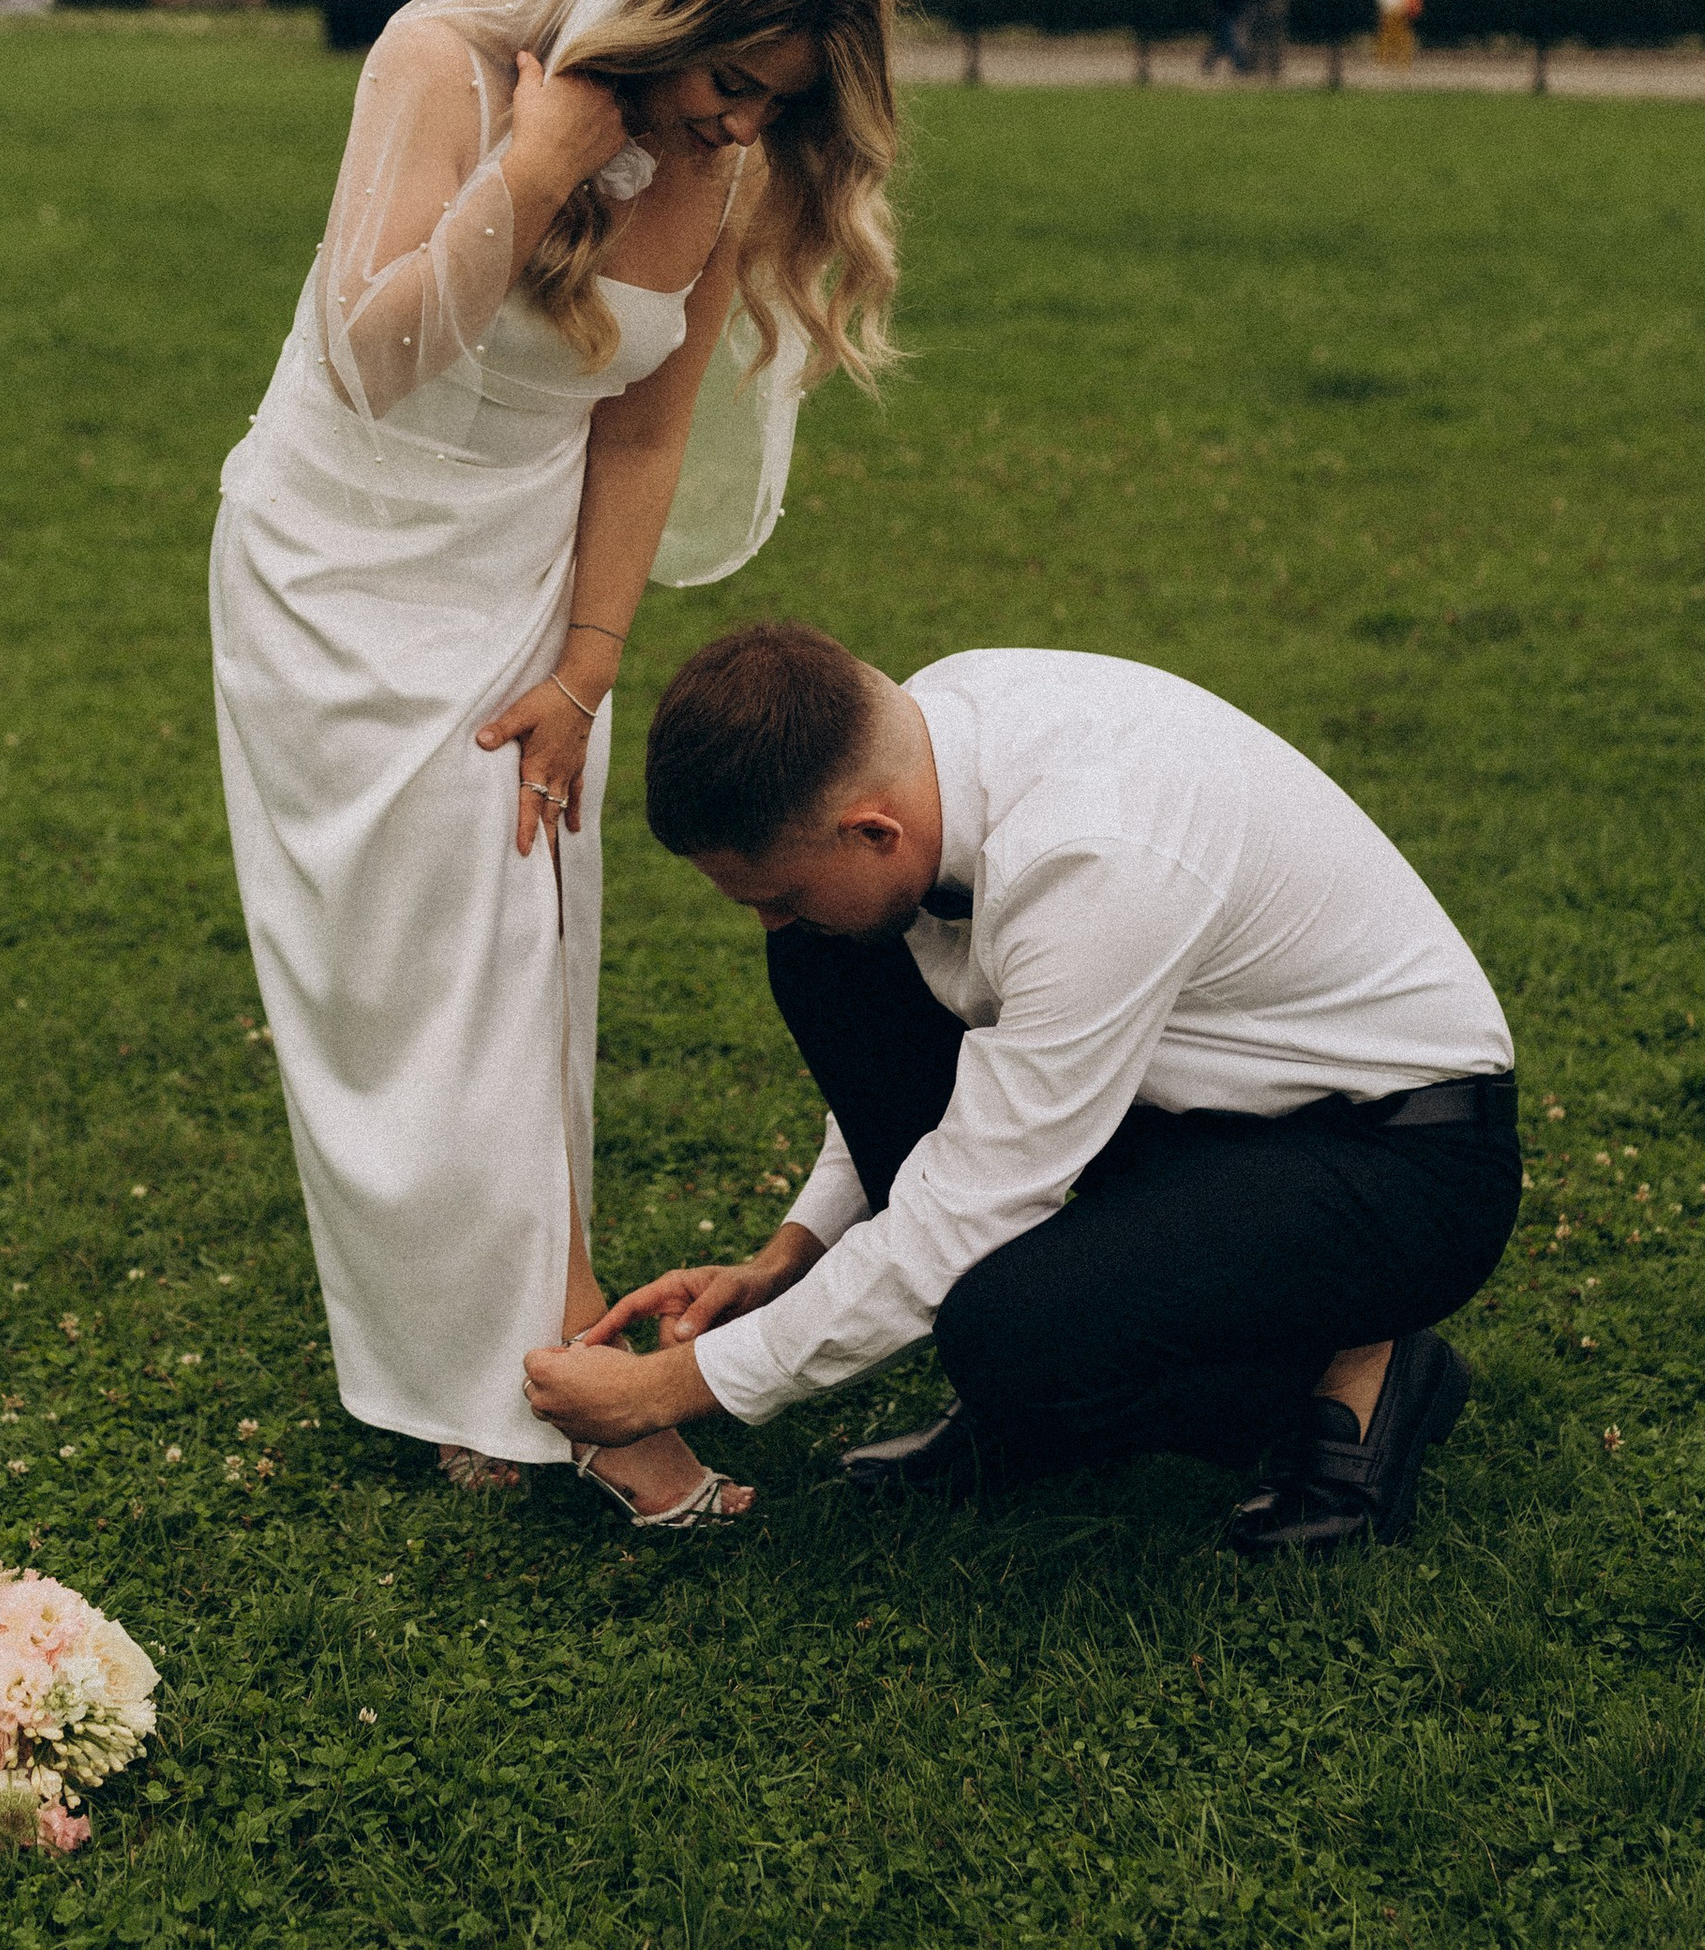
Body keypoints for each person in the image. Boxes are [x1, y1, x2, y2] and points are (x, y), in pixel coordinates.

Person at [212, 0, 898, 1529]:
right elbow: (375, 354)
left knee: (520, 964)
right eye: (732, 80)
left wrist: (590, 667)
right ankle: (537, 1391)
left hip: (517, 595)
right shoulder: (436, 66)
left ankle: (523, 1385)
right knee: (396, 989)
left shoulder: (722, 179)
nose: (742, 126)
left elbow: (645, 423)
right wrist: (532, 166)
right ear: (662, 7)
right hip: (335, 571)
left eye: (777, 101)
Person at [523, 625, 1519, 1555]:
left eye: (778, 891)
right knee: (829, 959)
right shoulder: (920, 746)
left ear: (873, 830)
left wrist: (666, 1389)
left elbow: (967, 1206)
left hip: (1394, 1160)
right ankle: (1036, 1409)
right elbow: (949, 1088)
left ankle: (1356, 1369)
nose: (766, 919)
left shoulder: (1091, 856)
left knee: (1013, 1335)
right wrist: (790, 1256)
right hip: (1194, 1103)